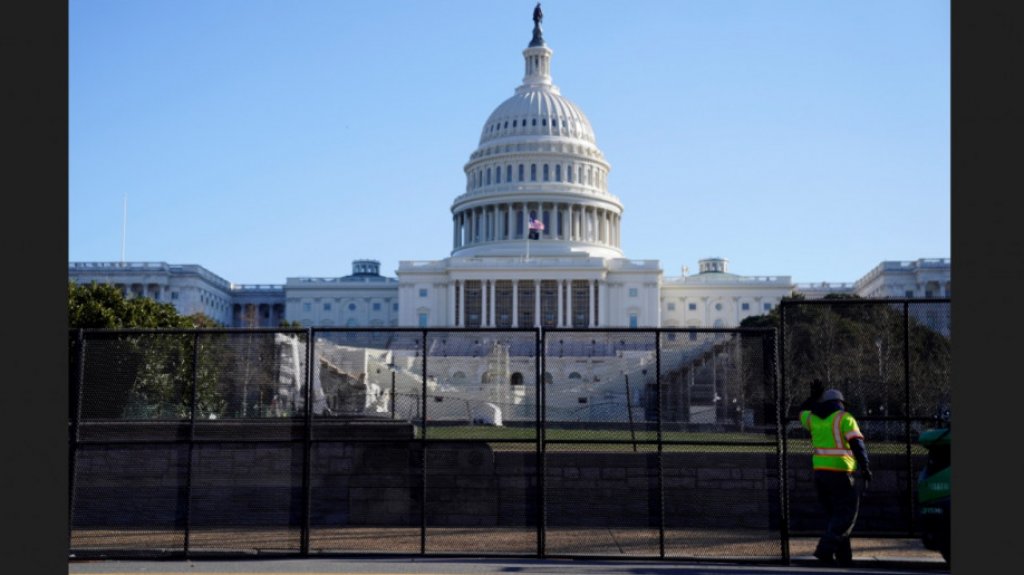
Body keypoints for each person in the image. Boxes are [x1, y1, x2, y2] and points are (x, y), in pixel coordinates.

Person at [799, 382, 873, 566]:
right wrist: (865, 467)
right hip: (841, 474)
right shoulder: (844, 418)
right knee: (847, 516)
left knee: (835, 516)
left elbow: (800, 412)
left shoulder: (813, 419)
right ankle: (824, 549)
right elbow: (857, 444)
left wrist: (812, 398)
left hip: (820, 475)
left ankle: (844, 557)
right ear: (840, 403)